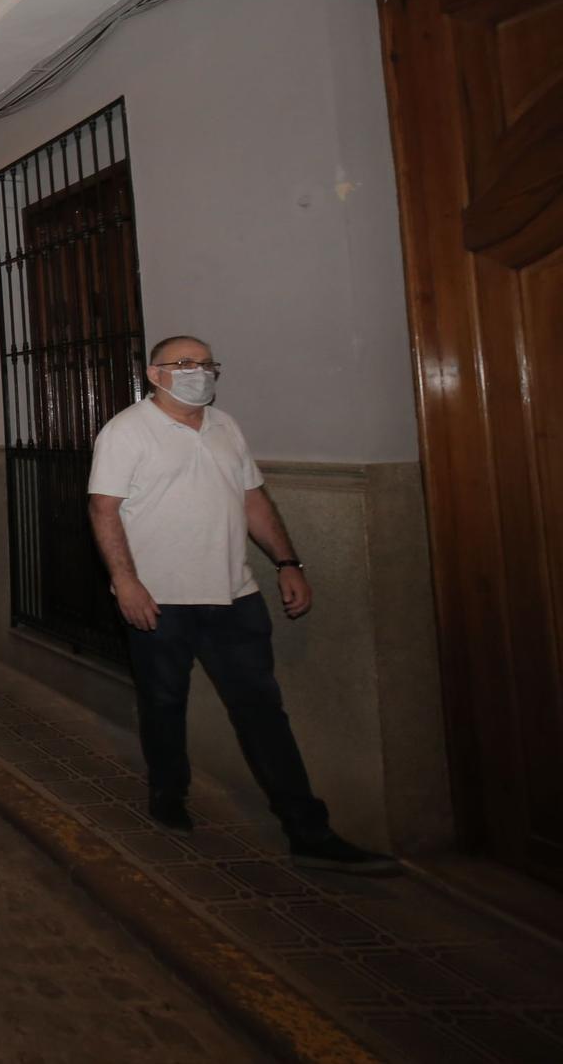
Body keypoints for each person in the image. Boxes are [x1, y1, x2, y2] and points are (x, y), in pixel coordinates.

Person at [88, 336, 397, 873]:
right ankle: (168, 792)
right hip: (161, 602)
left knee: (262, 714)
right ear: (154, 373)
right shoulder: (126, 431)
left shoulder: (225, 427)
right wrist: (126, 581)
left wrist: (287, 562)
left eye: (207, 364)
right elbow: (103, 508)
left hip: (234, 598)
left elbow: (252, 499)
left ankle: (308, 829)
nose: (198, 372)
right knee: (163, 704)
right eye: (185, 363)